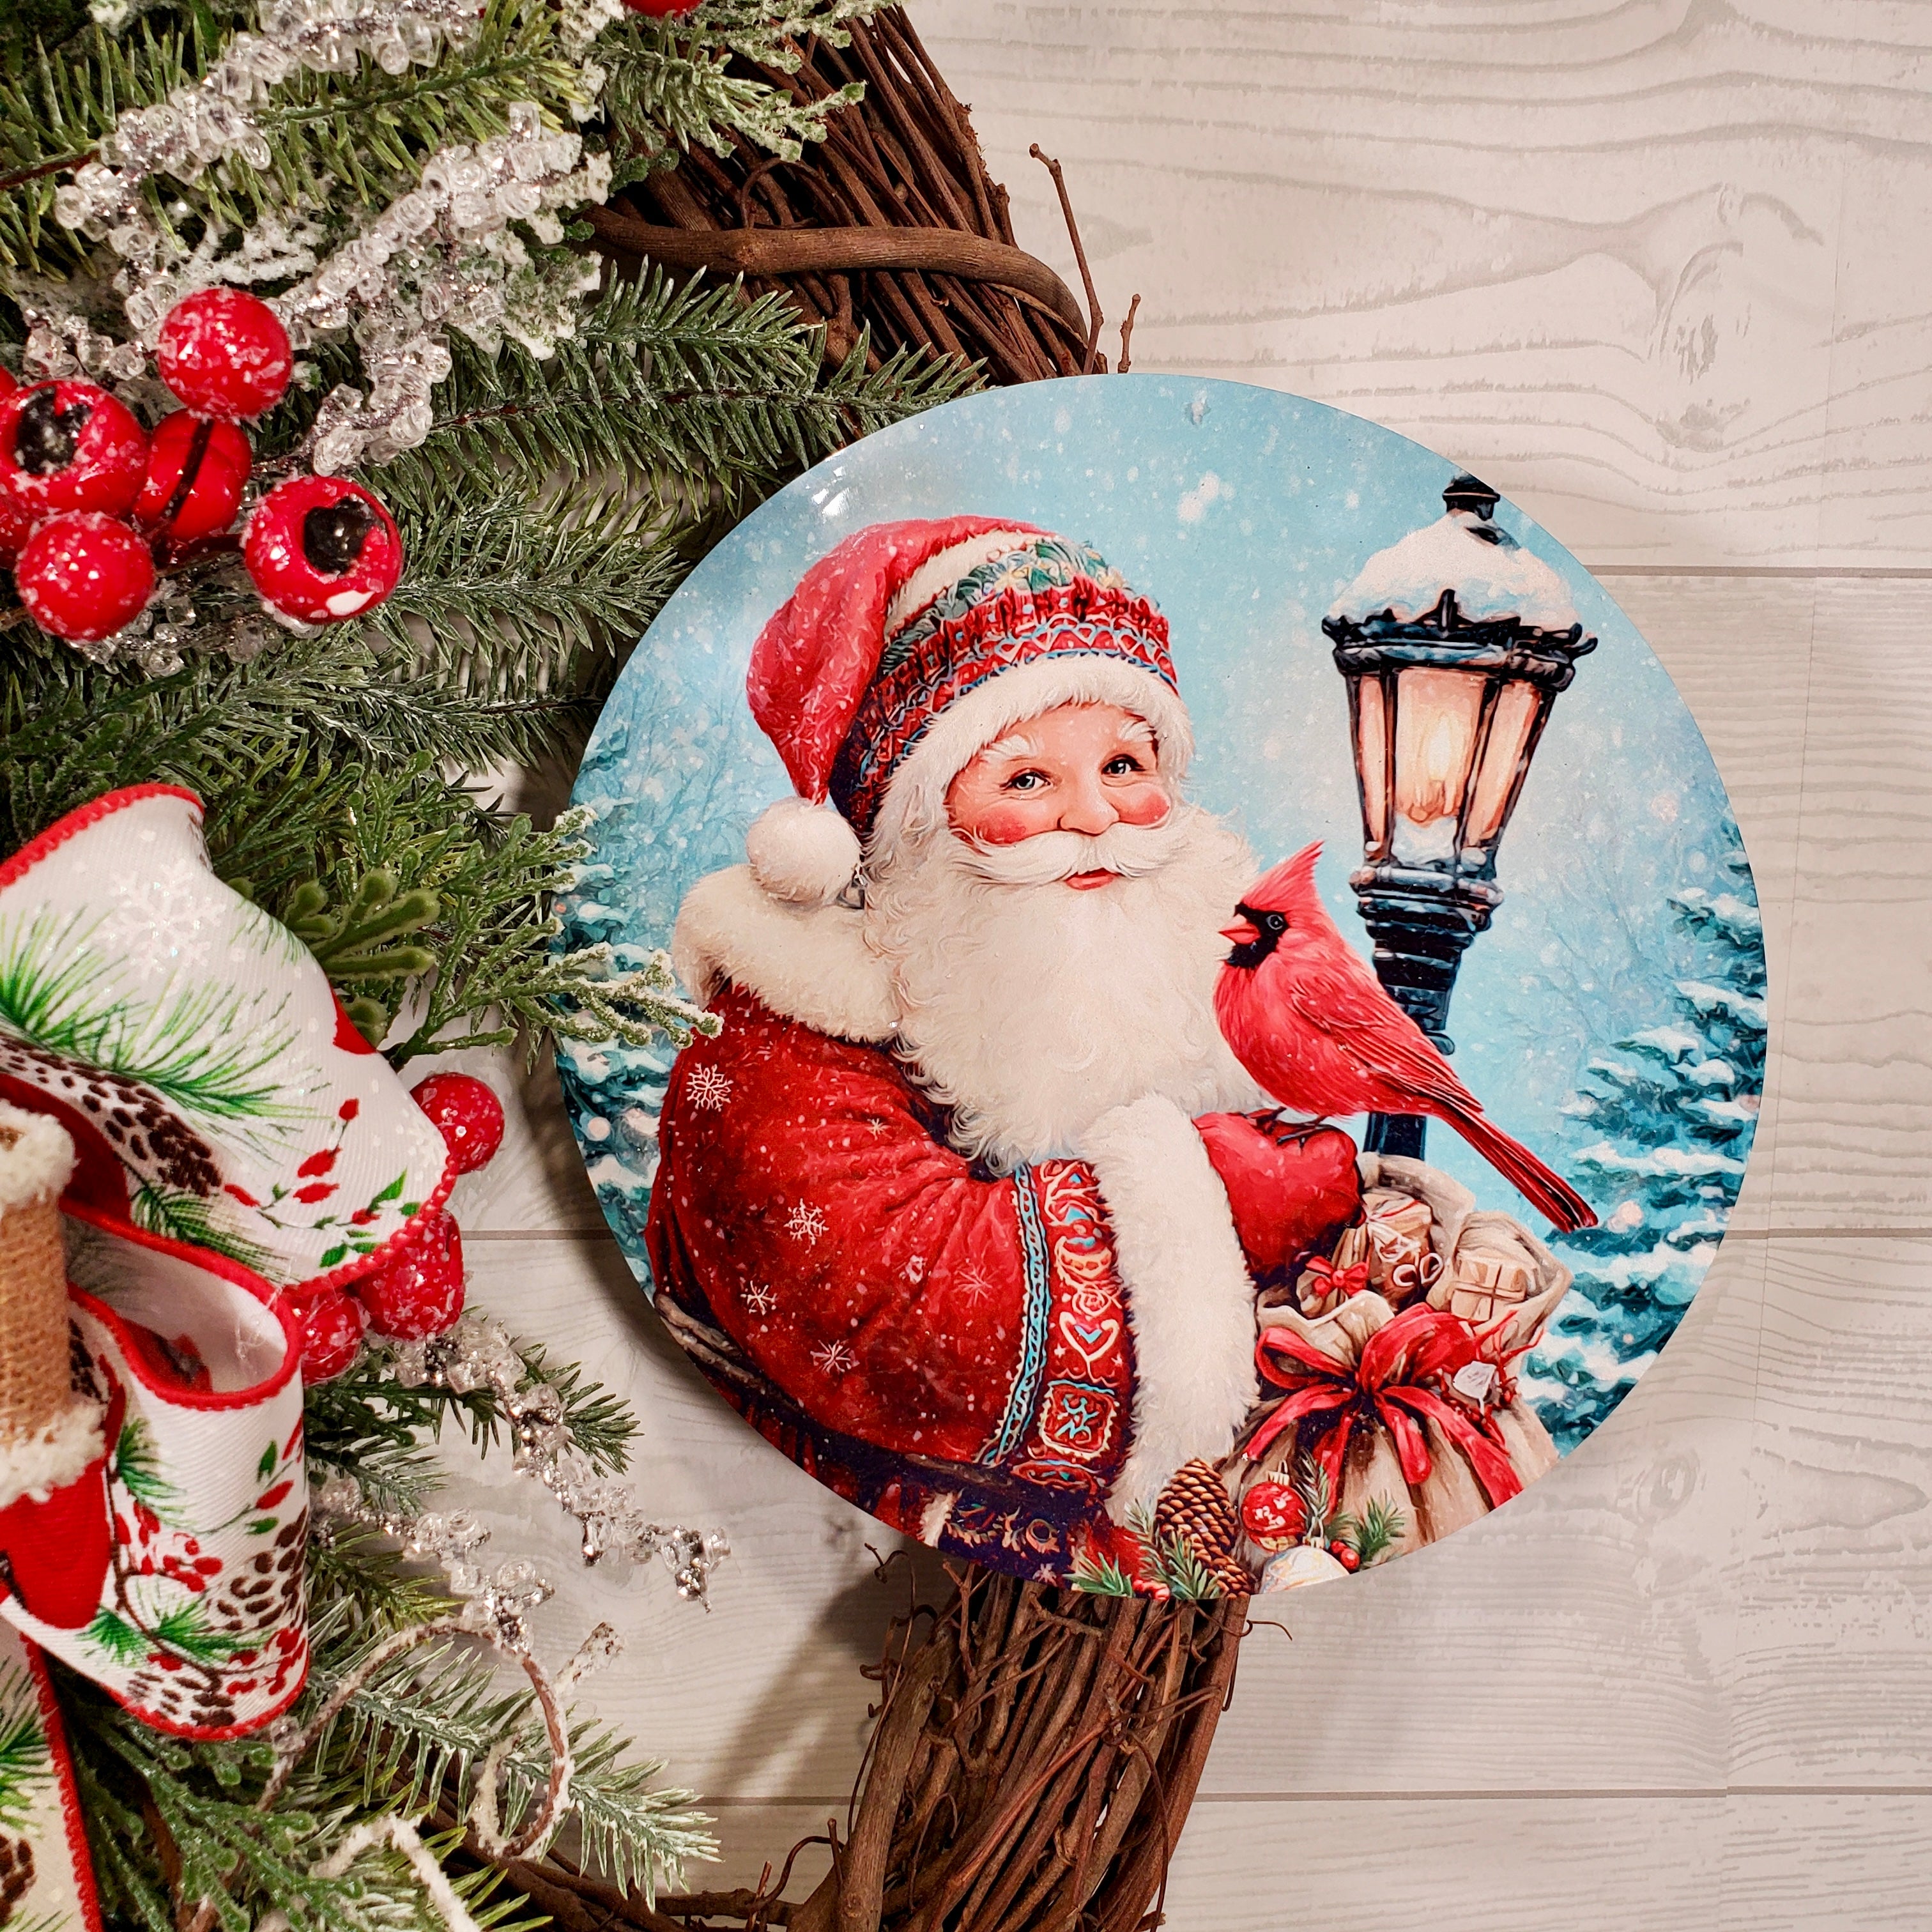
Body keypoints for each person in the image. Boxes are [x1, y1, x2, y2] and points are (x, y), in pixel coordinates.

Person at [645, 517, 1360, 1579]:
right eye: (1025, 780)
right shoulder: (783, 1024)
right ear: (912, 823)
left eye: (1125, 762)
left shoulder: (1189, 975)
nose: (1096, 819)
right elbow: (902, 1313)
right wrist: (1213, 1189)